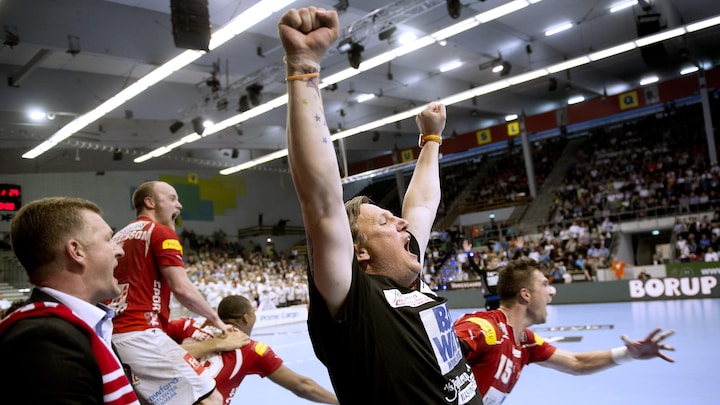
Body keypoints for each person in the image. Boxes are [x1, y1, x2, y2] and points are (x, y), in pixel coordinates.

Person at [278, 6, 482, 404]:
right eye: (386, 222)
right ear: (359, 251)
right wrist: (303, 67)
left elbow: (422, 205)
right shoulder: (357, 302)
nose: (402, 224)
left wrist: (431, 140)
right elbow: (321, 203)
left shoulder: (410, 282)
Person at [454, 258, 675, 404]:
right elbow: (436, 357)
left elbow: (577, 363)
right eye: (544, 284)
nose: (551, 292)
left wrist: (629, 354)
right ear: (525, 294)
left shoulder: (526, 341)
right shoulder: (485, 327)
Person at [0, 197, 139, 404]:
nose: (120, 250)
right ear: (76, 251)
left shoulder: (83, 326)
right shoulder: (45, 339)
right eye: (108, 239)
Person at [106, 181, 234, 405]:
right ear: (150, 202)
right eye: (173, 198)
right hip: (142, 333)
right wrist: (217, 321)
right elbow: (181, 288)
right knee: (211, 399)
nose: (179, 205)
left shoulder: (118, 237)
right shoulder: (160, 232)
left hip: (112, 337)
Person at [167, 295, 338, 404]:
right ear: (246, 318)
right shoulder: (252, 349)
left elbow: (153, 344)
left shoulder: (186, 325)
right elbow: (303, 386)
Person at [462, 239, 501, 309]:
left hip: (501, 300)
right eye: (495, 261)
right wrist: (468, 253)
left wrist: (518, 250)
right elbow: (473, 265)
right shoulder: (483, 272)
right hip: (490, 300)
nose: (497, 263)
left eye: (497, 261)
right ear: (489, 262)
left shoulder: (500, 271)